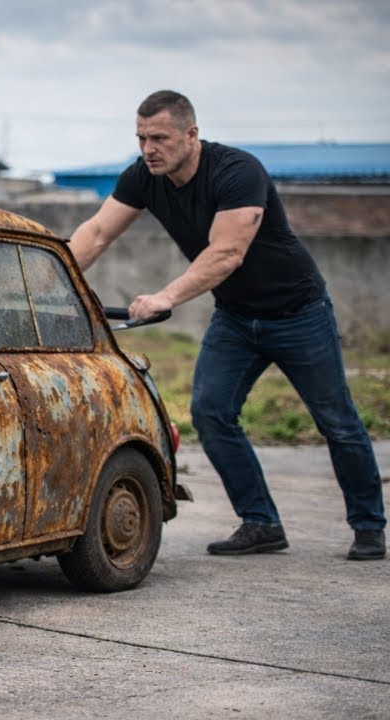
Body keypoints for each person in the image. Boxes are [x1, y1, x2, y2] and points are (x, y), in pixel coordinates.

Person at [68, 90, 385, 561]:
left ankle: (369, 526)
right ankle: (260, 523)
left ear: (191, 135)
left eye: (160, 137)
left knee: (336, 421)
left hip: (298, 312)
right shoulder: (143, 177)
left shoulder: (238, 172)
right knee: (211, 414)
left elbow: (227, 253)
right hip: (237, 318)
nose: (148, 148)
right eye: (141, 138)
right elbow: (96, 233)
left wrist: (165, 297)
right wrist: (53, 281)